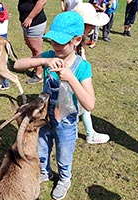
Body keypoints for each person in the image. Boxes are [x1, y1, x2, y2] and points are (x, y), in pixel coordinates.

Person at [14, 11, 95, 200]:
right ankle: (45, 172)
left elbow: (90, 104)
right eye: (52, 41)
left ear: (76, 40)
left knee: (64, 155)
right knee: (41, 149)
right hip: (44, 119)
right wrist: (44, 60)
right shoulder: (50, 56)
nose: (55, 46)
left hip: (66, 123)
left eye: (60, 42)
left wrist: (72, 79)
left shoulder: (83, 67)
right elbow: (17, 64)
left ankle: (64, 178)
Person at [73, 2, 110, 144]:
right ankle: (86, 133)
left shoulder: (78, 41)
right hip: (76, 83)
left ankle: (88, 132)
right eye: (91, 24)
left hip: (77, 82)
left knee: (81, 106)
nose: (94, 27)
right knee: (81, 105)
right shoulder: (75, 44)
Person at [18, 0, 47, 84]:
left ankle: (39, 74)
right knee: (32, 47)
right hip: (27, 22)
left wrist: (30, 17)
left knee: (36, 49)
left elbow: (42, 1)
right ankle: (36, 68)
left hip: (35, 22)